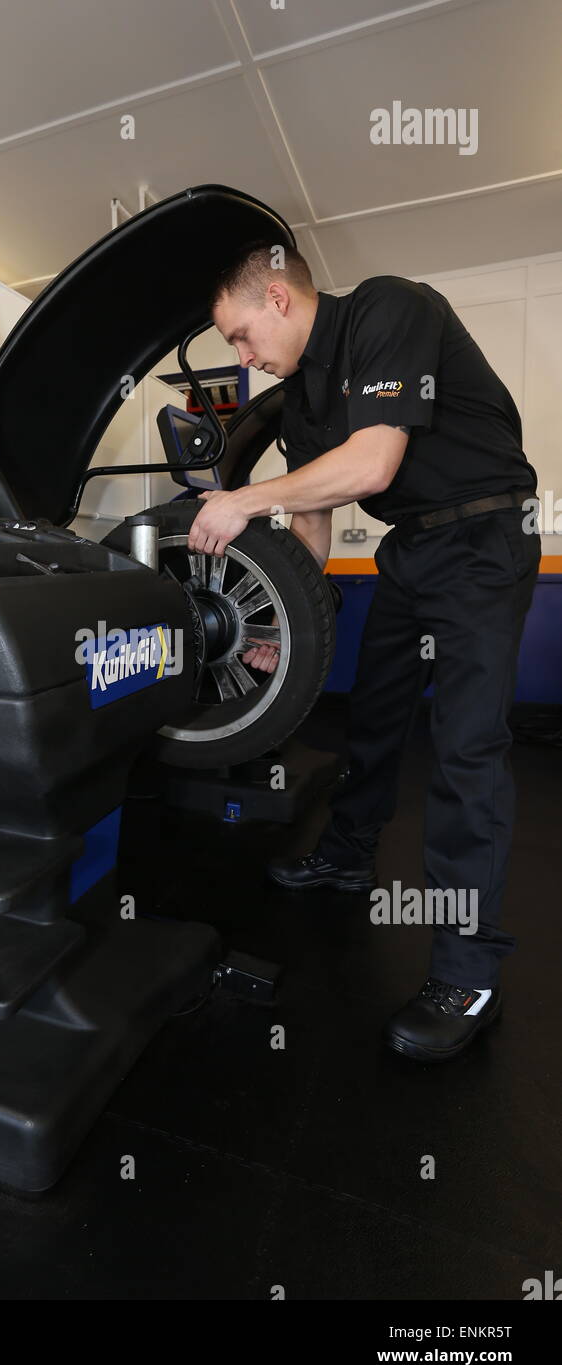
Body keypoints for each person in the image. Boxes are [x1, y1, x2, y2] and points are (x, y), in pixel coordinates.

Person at [188, 240, 540, 1062]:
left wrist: (241, 500)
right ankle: (347, 859)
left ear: (278, 298)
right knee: (374, 719)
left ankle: (467, 972)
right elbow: (314, 519)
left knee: (465, 750)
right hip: (413, 551)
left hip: (487, 533)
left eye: (240, 336)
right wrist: (290, 633)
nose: (242, 357)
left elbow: (372, 465)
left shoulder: (389, 308)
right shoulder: (303, 400)